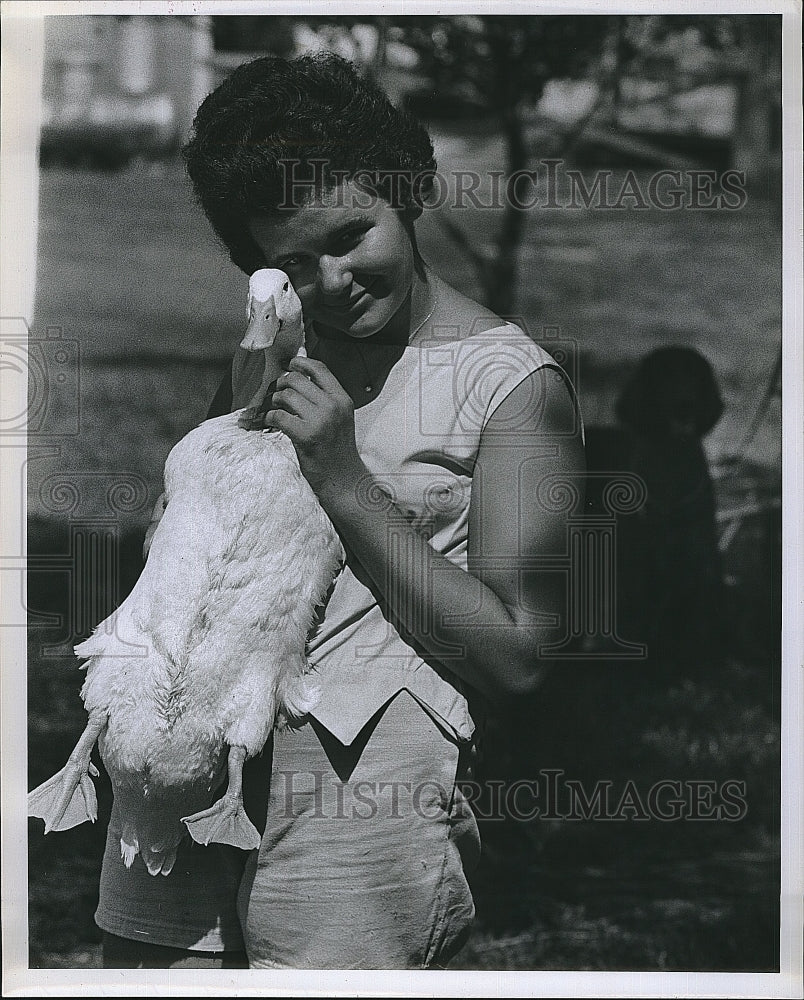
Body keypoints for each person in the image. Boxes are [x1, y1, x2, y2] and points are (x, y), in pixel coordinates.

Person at [95, 52, 585, 970]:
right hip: (189, 754)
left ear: (408, 190)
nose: (331, 278)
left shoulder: (510, 388)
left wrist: (345, 481)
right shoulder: (278, 350)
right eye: (291, 261)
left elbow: (520, 657)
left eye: (351, 232)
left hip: (362, 782)